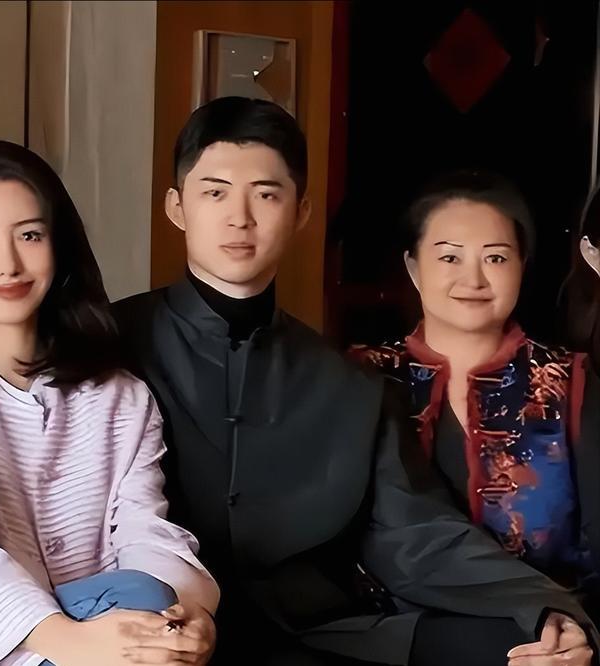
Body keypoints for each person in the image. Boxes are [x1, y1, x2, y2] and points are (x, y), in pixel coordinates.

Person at [114, 98, 594, 666]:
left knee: (532, 651)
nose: (240, 218)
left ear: (301, 211)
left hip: (314, 629)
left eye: (266, 195)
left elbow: (413, 530)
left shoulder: (347, 380)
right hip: (159, 621)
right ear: (176, 206)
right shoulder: (111, 343)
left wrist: (540, 605)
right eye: (215, 193)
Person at [0, 140, 219, 666]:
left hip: (121, 632)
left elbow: (144, 524)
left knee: (149, 596)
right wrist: (62, 639)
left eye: (29, 235)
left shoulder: (120, 396)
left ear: (59, 244)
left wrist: (187, 615)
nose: (7, 264)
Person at [350, 169, 598, 665]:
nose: (473, 279)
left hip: (543, 649)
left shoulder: (571, 383)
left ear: (522, 266)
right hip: (395, 648)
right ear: (413, 267)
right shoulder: (358, 378)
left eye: (496, 258)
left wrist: (583, 636)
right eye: (449, 257)